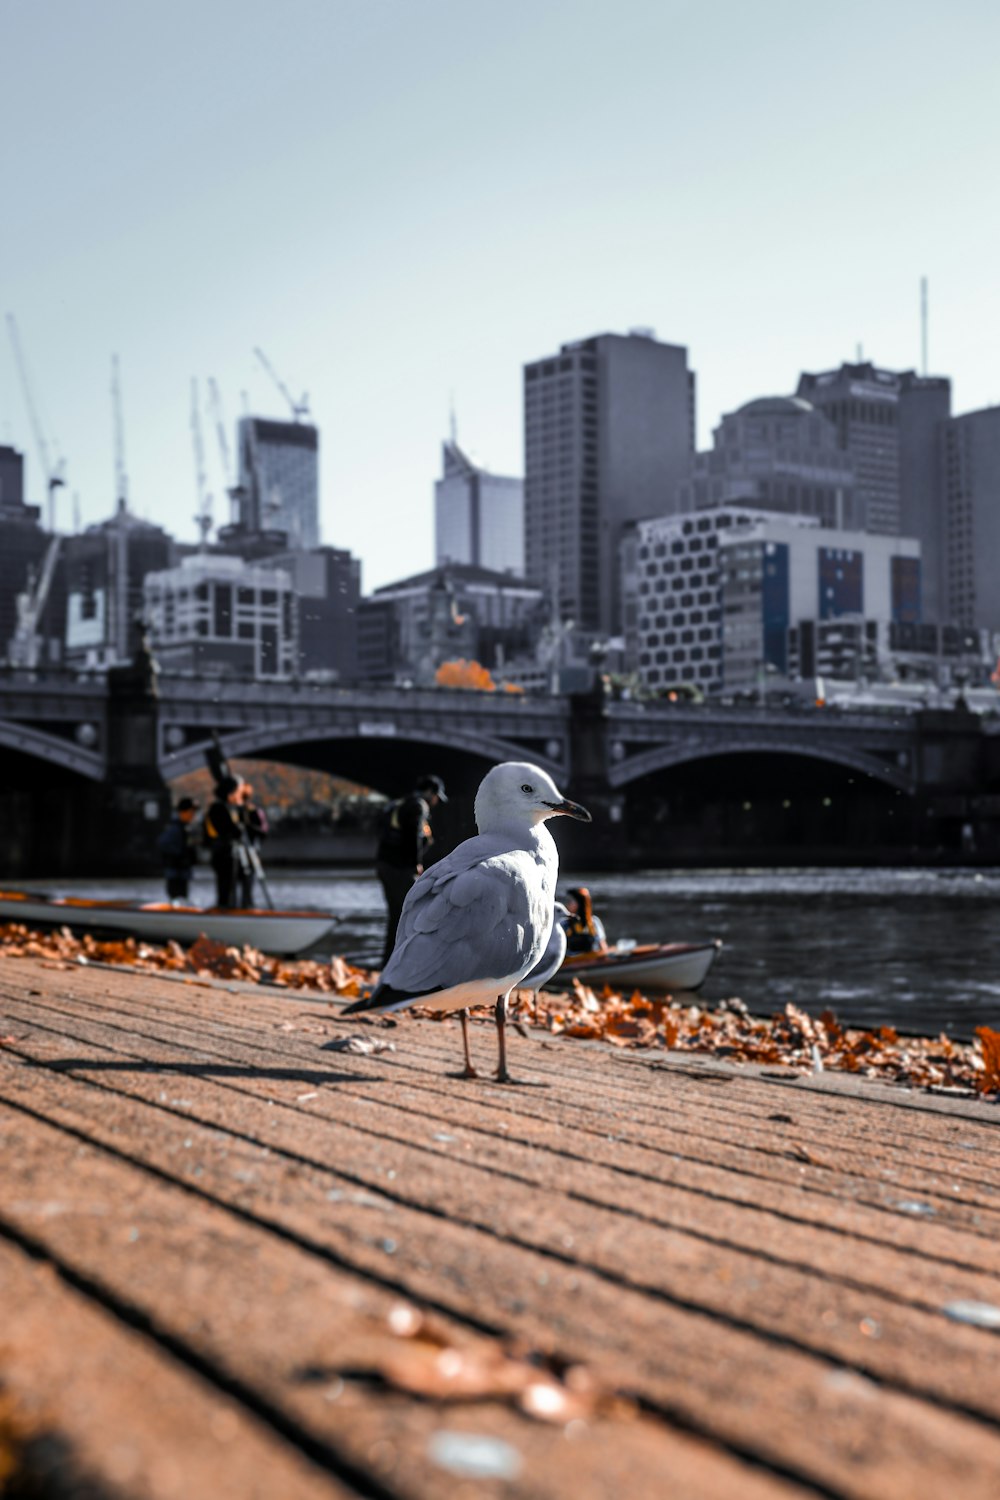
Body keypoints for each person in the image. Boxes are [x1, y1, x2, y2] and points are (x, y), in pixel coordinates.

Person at [375, 774, 447, 967]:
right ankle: (411, 964)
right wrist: (417, 863)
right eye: (437, 797)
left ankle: (389, 962)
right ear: (431, 793)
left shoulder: (400, 803)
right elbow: (413, 836)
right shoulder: (418, 806)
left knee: (397, 915)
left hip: (384, 865)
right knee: (417, 913)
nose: (436, 802)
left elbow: (384, 828)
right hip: (400, 868)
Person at [202, 776, 245, 908]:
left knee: (230, 887)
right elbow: (232, 830)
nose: (239, 794)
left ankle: (229, 908)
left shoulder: (223, 807)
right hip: (224, 854)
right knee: (226, 887)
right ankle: (225, 910)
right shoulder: (219, 808)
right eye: (238, 791)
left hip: (226, 852)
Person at [157, 797, 199, 904]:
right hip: (176, 873)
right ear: (183, 812)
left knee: (182, 899)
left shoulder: (186, 827)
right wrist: (179, 856)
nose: (193, 815)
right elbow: (163, 844)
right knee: (176, 900)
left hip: (183, 872)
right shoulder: (175, 828)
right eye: (191, 812)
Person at [235, 781, 269, 908]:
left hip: (251, 851)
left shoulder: (254, 812)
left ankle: (247, 904)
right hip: (238, 852)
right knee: (236, 882)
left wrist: (248, 827)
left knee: (248, 881)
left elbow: (263, 832)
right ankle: (236, 905)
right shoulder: (235, 811)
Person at [562, 885, 608, 955]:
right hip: (571, 961)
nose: (567, 904)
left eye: (570, 901)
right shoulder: (564, 924)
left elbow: (602, 945)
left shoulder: (594, 922)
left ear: (580, 904)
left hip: (590, 959)